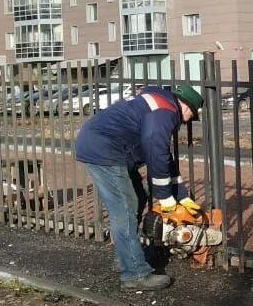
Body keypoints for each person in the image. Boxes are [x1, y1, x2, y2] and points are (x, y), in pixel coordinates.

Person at [75, 84, 205, 291]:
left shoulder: (158, 104)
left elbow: (163, 157)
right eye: (191, 115)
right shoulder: (166, 111)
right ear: (186, 107)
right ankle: (135, 274)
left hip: (105, 146)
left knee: (138, 198)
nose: (187, 121)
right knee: (125, 209)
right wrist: (165, 198)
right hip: (106, 150)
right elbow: (156, 151)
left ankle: (126, 259)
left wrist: (182, 196)